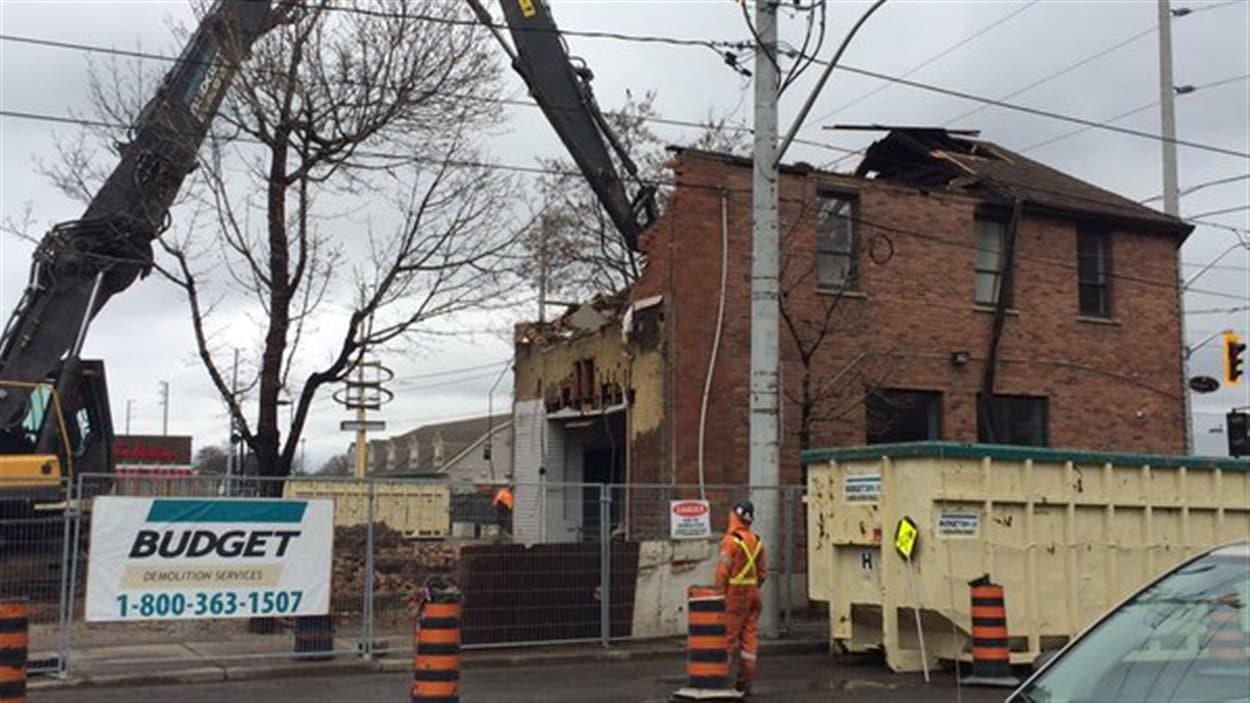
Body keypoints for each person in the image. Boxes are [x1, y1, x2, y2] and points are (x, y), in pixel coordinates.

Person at [715, 499, 766, 695]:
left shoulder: (730, 542)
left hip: (734, 597)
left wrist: (719, 594)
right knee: (749, 643)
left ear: (735, 516)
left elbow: (722, 572)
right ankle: (745, 683)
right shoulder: (757, 541)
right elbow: (762, 574)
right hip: (753, 596)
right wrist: (752, 587)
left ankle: (719, 682)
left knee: (726, 640)